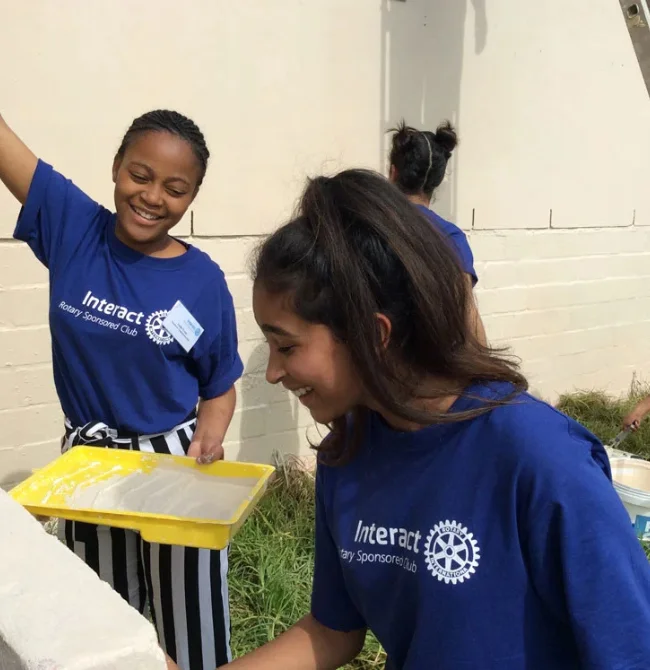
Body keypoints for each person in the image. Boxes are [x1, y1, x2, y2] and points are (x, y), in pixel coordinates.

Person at [171, 168, 650, 669]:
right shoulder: (348, 452)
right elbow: (333, 629)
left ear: (373, 334)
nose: (272, 373)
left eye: (287, 346)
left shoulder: (541, 459)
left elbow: (630, 649)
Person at [0, 109, 243, 670]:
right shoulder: (73, 228)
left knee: (193, 625)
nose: (152, 196)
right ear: (115, 168)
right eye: (140, 175)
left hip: (175, 465)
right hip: (90, 464)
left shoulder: (202, 282)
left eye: (175, 189)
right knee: (106, 624)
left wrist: (209, 437)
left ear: (191, 198)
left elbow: (219, 385)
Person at [389, 120, 487, 345]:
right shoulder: (450, 237)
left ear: (393, 172)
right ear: (438, 180)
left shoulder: (368, 224)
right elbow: (468, 318)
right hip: (427, 366)